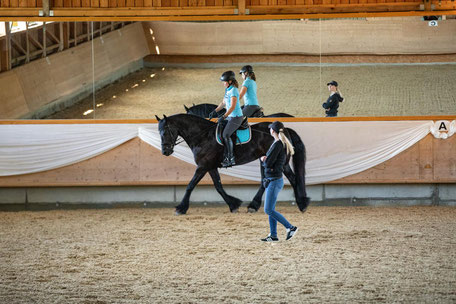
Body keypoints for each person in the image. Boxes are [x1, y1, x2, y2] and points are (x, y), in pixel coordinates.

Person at [260, 121, 298, 242]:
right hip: (273, 180)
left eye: (270, 128)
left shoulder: (277, 145)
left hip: (274, 180)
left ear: (273, 131)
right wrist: (267, 160)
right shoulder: (278, 144)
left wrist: (263, 159)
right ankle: (273, 235)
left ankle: (290, 227)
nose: (269, 130)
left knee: (268, 209)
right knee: (271, 209)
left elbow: (268, 163)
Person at [210, 71, 244, 168]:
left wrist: (223, 116)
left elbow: (232, 107)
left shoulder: (233, 91)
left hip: (236, 117)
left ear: (229, 81)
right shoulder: (228, 90)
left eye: (224, 81)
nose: (223, 83)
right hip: (230, 116)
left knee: (226, 134)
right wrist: (215, 111)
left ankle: (231, 158)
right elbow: (223, 103)